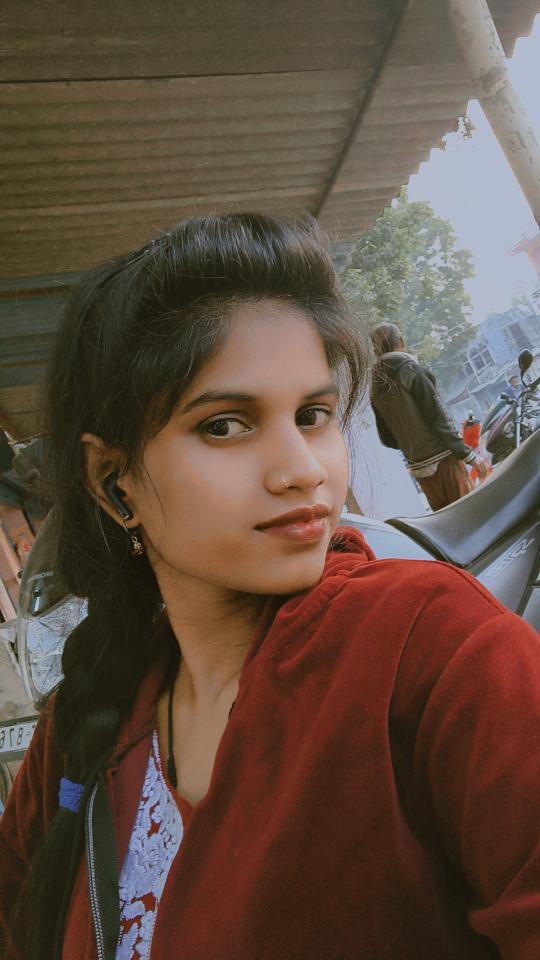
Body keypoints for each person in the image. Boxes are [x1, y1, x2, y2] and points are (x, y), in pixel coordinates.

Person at [1, 214, 539, 960]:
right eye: (225, 425)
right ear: (113, 481)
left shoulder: (434, 650)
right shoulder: (78, 730)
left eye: (314, 416)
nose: (304, 470)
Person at [370, 323, 488, 511]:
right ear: (401, 342)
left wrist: (413, 443)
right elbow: (439, 417)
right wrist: (468, 455)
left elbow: (387, 439)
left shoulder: (375, 386)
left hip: (420, 470)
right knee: (470, 514)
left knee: (446, 522)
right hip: (444, 461)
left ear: (376, 350)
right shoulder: (411, 370)